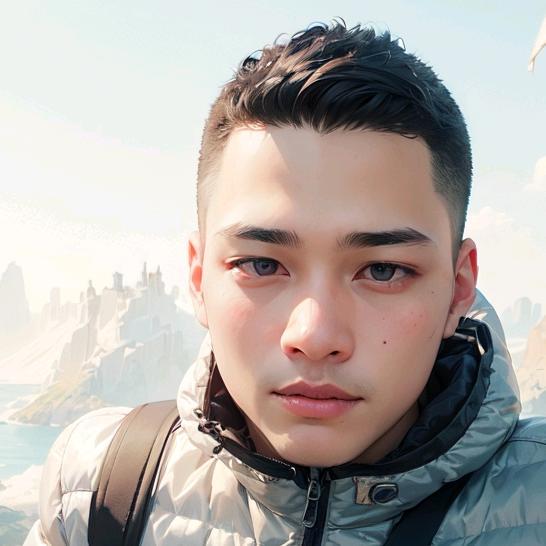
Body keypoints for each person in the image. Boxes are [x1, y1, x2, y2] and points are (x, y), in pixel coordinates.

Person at [24, 20, 546, 546]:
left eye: (382, 270)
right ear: (198, 278)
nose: (314, 336)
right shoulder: (95, 493)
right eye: (261, 265)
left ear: (458, 288)